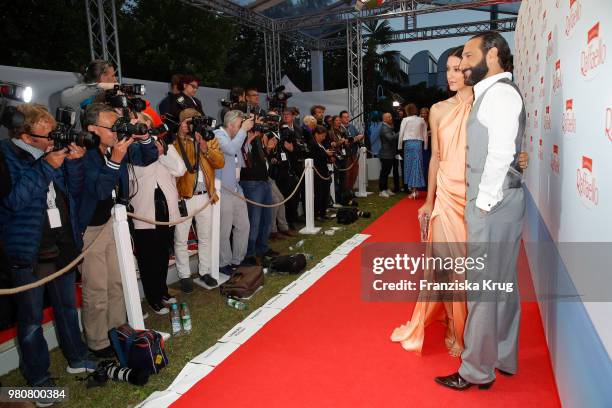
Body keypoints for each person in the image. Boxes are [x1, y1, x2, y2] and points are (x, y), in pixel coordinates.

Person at [391, 46, 530, 359]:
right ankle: (456, 328)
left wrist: (518, 158)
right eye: (448, 70)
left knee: (472, 270)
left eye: (457, 68)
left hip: (476, 196)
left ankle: (472, 329)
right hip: (447, 198)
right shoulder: (438, 109)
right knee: (450, 269)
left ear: (470, 71)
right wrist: (429, 201)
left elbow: (501, 145)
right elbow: (436, 158)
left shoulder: (486, 104)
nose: (452, 75)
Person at [435, 32, 528, 390]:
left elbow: (502, 153)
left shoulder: (498, 94)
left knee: (483, 288)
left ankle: (475, 371)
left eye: (470, 55)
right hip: (503, 201)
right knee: (503, 284)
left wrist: (484, 203)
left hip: (493, 204)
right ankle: (502, 356)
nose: (463, 63)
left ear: (491, 56)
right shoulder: (496, 93)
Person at [0, 104, 96, 391]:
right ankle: (38, 379)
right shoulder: (5, 156)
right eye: (46, 134)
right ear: (26, 136)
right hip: (28, 252)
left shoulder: (50, 152)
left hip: (61, 246)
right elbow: (13, 201)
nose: (54, 138)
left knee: (67, 308)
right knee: (30, 321)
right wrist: (45, 167)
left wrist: (75, 163)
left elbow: (73, 191)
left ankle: (77, 357)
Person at [79, 103, 158, 357]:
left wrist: (143, 135)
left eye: (117, 125)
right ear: (92, 129)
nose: (116, 131)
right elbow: (100, 190)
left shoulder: (115, 147)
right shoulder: (84, 154)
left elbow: (148, 157)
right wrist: (115, 161)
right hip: (89, 229)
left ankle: (117, 331)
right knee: (97, 287)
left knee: (116, 281)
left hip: (114, 220)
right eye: (110, 127)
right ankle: (98, 341)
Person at [129, 112, 183, 312]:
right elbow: (138, 172)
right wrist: (153, 154)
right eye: (140, 125)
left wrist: (161, 155)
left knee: (162, 253)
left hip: (166, 207)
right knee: (148, 257)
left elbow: (180, 169)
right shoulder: (130, 148)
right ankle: (153, 297)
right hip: (144, 210)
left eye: (147, 124)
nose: (144, 128)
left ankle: (162, 291)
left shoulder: (164, 144)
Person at [172, 108, 224, 293]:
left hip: (205, 196)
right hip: (184, 196)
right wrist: (181, 135)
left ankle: (204, 271)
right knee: (181, 239)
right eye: (188, 122)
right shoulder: (177, 141)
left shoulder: (209, 138)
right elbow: (173, 161)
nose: (193, 125)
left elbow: (220, 162)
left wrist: (205, 147)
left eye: (195, 121)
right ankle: (184, 275)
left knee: (205, 237)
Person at [213, 111, 253, 274]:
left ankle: (238, 260)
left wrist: (247, 141)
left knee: (243, 226)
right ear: (230, 125)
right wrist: (243, 131)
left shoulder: (235, 138)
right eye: (239, 126)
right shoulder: (218, 135)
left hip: (236, 189)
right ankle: (224, 263)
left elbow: (240, 161)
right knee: (224, 229)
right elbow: (230, 150)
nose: (241, 129)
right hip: (223, 190)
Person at [60, 59, 118, 130]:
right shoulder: (83, 95)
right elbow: (66, 98)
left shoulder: (106, 95)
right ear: (103, 77)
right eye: (113, 76)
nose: (115, 80)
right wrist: (100, 86)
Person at [398, 103, 427, 199]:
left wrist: (399, 147)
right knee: (417, 165)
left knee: (409, 166)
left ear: (407, 111)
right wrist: (425, 146)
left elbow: (401, 133)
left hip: (408, 144)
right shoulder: (421, 120)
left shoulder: (405, 120)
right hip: (418, 144)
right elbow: (425, 134)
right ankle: (414, 189)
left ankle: (413, 190)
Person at [309, 126, 334, 220]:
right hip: (318, 172)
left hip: (324, 171)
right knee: (319, 193)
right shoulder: (312, 144)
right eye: (322, 136)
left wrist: (329, 158)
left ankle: (323, 212)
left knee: (325, 193)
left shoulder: (321, 144)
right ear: (316, 134)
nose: (323, 138)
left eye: (324, 136)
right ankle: (317, 213)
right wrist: (326, 154)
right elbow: (315, 157)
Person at [340, 110, 365, 192]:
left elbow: (359, 135)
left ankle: (350, 190)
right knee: (346, 174)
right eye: (345, 117)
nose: (347, 118)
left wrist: (360, 137)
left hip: (354, 153)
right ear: (340, 118)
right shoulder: (339, 128)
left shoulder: (352, 126)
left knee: (354, 173)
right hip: (345, 155)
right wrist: (354, 139)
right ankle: (345, 191)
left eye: (348, 117)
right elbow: (345, 142)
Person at [378, 112, 399, 197]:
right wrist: (400, 132)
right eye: (389, 117)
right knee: (384, 173)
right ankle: (382, 190)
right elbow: (390, 138)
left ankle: (385, 189)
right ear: (384, 119)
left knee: (386, 173)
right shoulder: (384, 128)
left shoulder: (388, 126)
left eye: (390, 116)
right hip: (386, 154)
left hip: (389, 154)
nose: (391, 118)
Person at [420, 107, 432, 186]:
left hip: (431, 145)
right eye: (422, 113)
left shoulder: (431, 122)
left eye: (425, 113)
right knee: (423, 166)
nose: (424, 114)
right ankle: (423, 184)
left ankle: (430, 183)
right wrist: (427, 133)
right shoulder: (419, 122)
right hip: (422, 146)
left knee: (430, 166)